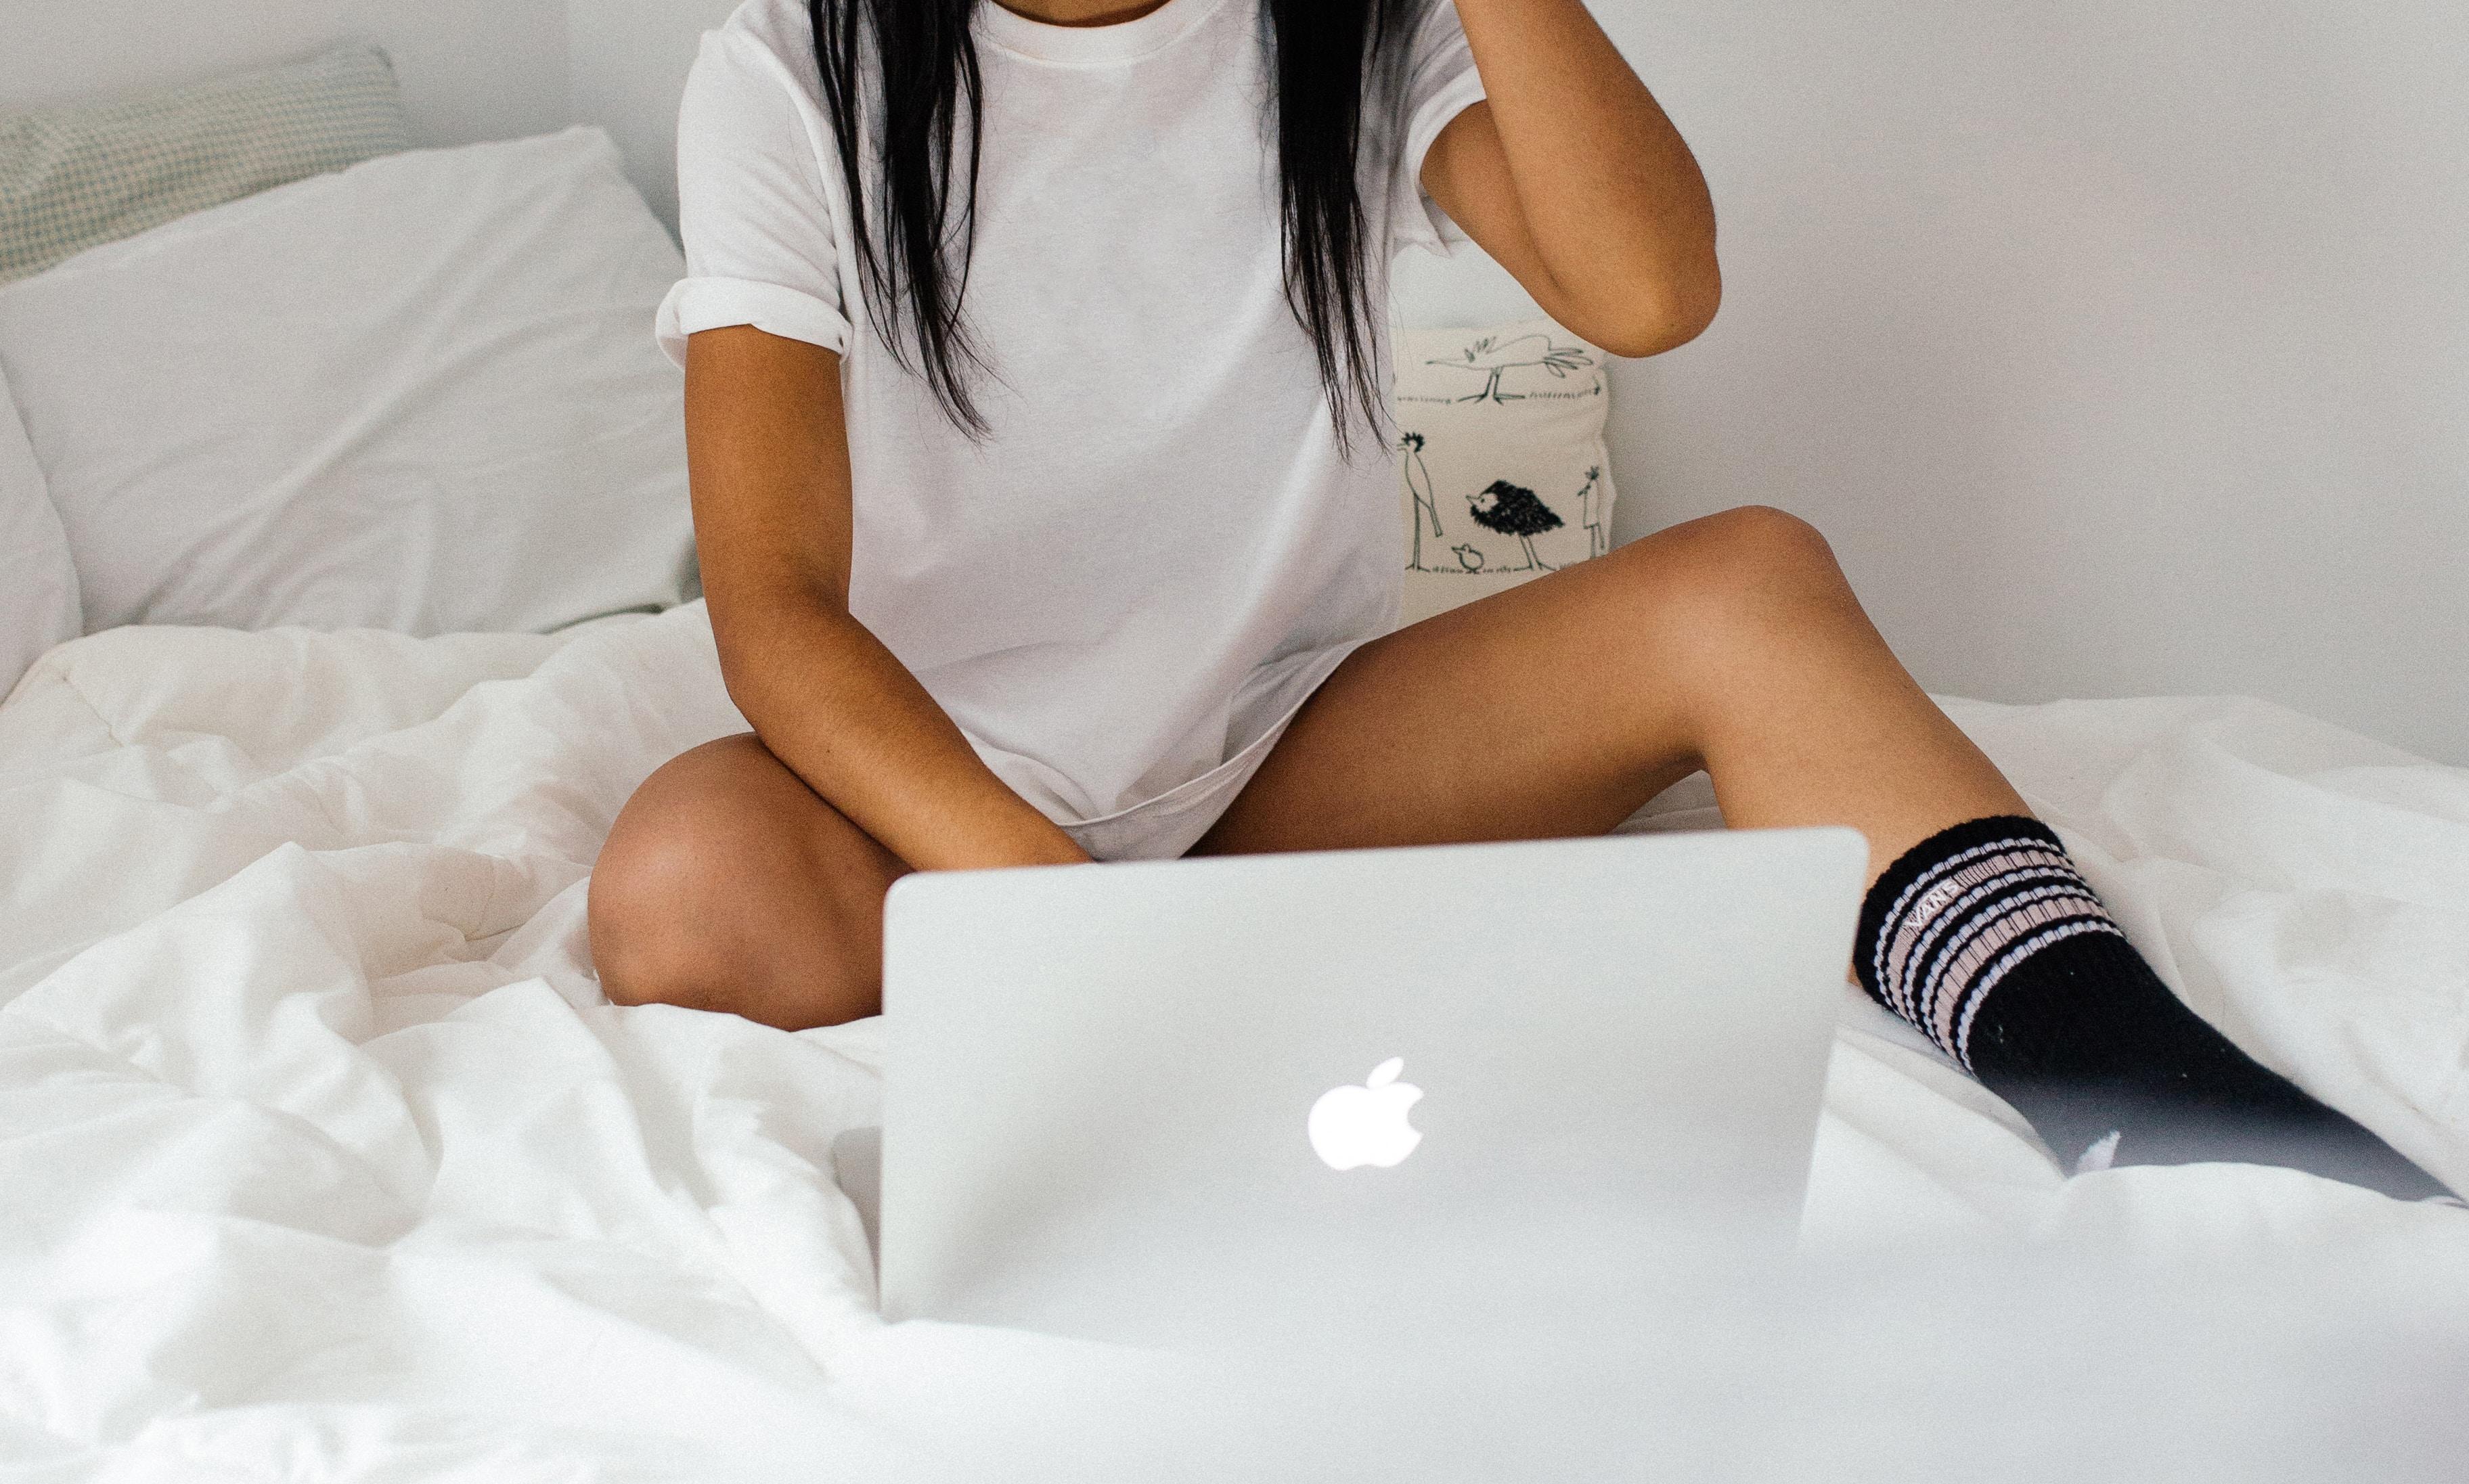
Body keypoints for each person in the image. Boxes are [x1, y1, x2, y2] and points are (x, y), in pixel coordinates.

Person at [587, 0, 2449, 1200]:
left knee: (1749, 581)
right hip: (929, 800)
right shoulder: (794, 61)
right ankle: (1105, 935)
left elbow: (1650, 289)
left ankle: (2146, 1095)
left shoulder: (1341, 30)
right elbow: (776, 610)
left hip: (1272, 770)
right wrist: (1070, 925)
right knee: (676, 889)